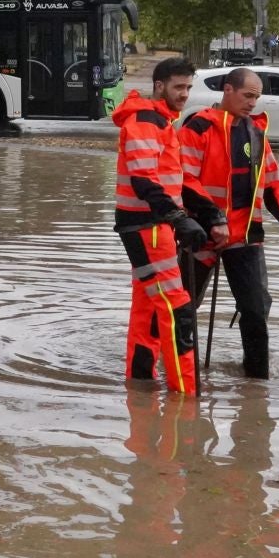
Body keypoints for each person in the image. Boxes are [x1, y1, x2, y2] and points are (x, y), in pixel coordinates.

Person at [179, 69, 279, 379]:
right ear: (227, 90)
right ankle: (174, 371)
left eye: (256, 97)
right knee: (181, 309)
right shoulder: (198, 128)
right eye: (247, 96)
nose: (253, 103)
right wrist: (214, 219)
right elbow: (184, 178)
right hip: (200, 234)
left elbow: (274, 183)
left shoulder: (256, 132)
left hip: (245, 236)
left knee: (255, 310)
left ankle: (256, 383)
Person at [110, 57, 209, 391]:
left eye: (188, 87)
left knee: (149, 308)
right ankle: (186, 396)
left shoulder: (160, 121)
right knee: (176, 305)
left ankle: (140, 386)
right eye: (178, 87)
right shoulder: (146, 120)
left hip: (152, 225)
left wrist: (198, 215)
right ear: (159, 86)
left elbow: (166, 180)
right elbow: (144, 179)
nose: (184, 94)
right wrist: (179, 220)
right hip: (148, 227)